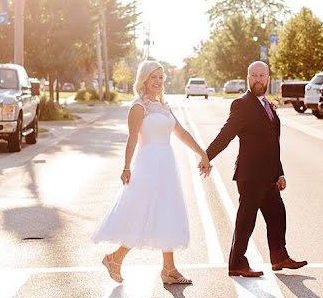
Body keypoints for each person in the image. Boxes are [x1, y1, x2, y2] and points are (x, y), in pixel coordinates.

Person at [93, 60, 211, 285]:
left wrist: (202, 154)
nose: (158, 81)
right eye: (153, 77)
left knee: (166, 212)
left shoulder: (164, 106)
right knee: (143, 214)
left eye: (160, 77)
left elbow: (182, 133)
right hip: (148, 165)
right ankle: (115, 258)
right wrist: (126, 166)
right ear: (144, 80)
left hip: (167, 165)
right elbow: (131, 138)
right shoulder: (139, 107)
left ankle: (169, 269)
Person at [205, 61, 307, 277]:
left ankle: (279, 257)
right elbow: (227, 134)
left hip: (269, 175)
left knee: (277, 214)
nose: (258, 79)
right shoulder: (242, 104)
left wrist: (279, 172)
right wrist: (207, 156)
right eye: (254, 75)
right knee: (246, 219)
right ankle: (236, 263)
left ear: (268, 78)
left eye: (262, 75)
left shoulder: (267, 105)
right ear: (247, 78)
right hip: (250, 175)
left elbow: (273, 143)